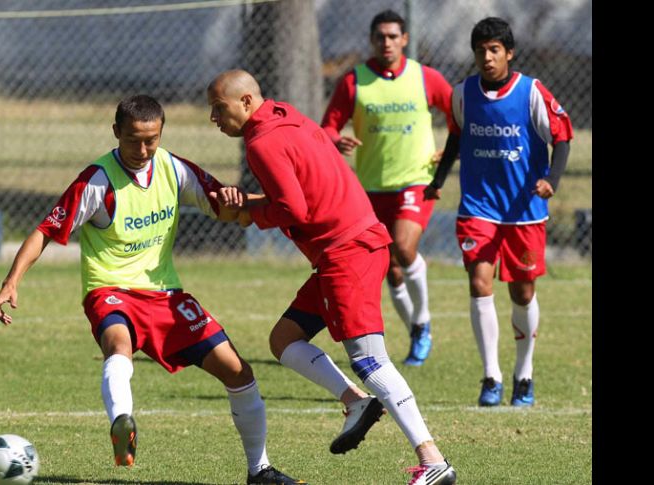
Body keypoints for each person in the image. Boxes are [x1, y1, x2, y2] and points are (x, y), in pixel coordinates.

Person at [0, 94, 305, 485]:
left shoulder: (173, 169)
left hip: (166, 295)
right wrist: (11, 282)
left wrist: (240, 200)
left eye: (151, 140)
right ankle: (122, 420)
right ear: (116, 133)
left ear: (161, 134)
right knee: (118, 346)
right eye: (133, 140)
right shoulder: (97, 180)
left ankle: (259, 470)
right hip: (110, 290)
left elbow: (225, 210)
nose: (143, 150)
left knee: (239, 373)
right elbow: (45, 231)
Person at [207, 70, 456, 485]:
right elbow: (300, 195)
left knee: (370, 360)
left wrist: (251, 213)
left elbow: (294, 210)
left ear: (247, 102)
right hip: (348, 247)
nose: (213, 118)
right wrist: (253, 204)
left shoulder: (261, 143)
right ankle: (355, 402)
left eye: (219, 108)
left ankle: (433, 460)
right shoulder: (285, 114)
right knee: (284, 340)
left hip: (348, 251)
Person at [424, 17, 573, 407]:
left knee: (522, 293)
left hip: (524, 210)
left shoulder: (531, 93)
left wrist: (551, 181)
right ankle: (491, 377)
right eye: (480, 51)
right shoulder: (464, 93)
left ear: (509, 53)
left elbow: (562, 137)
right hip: (478, 207)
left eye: (494, 50)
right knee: (479, 283)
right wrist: (438, 181)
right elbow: (456, 138)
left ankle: (524, 374)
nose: (487, 58)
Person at [321, 9, 454, 366]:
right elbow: (328, 127)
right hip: (370, 188)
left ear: (405, 40)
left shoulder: (425, 78)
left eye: (393, 36)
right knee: (390, 268)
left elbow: (458, 114)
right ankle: (415, 328)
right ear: (372, 40)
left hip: (415, 181)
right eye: (380, 36)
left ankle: (422, 322)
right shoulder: (354, 81)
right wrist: (339, 141)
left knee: (405, 249)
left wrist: (450, 151)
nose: (387, 42)